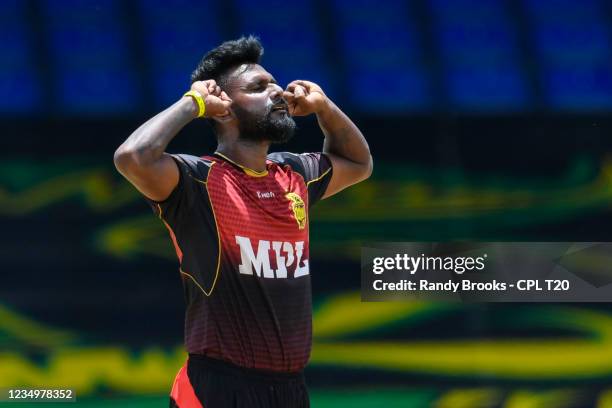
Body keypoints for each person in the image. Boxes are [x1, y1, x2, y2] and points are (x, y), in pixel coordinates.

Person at [113, 36, 372, 408]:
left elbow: (360, 164)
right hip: (216, 387)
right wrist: (192, 103)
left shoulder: (294, 173)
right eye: (258, 87)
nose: (278, 92)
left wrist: (325, 108)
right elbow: (132, 157)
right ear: (223, 108)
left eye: (274, 83)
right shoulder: (195, 180)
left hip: (289, 390)